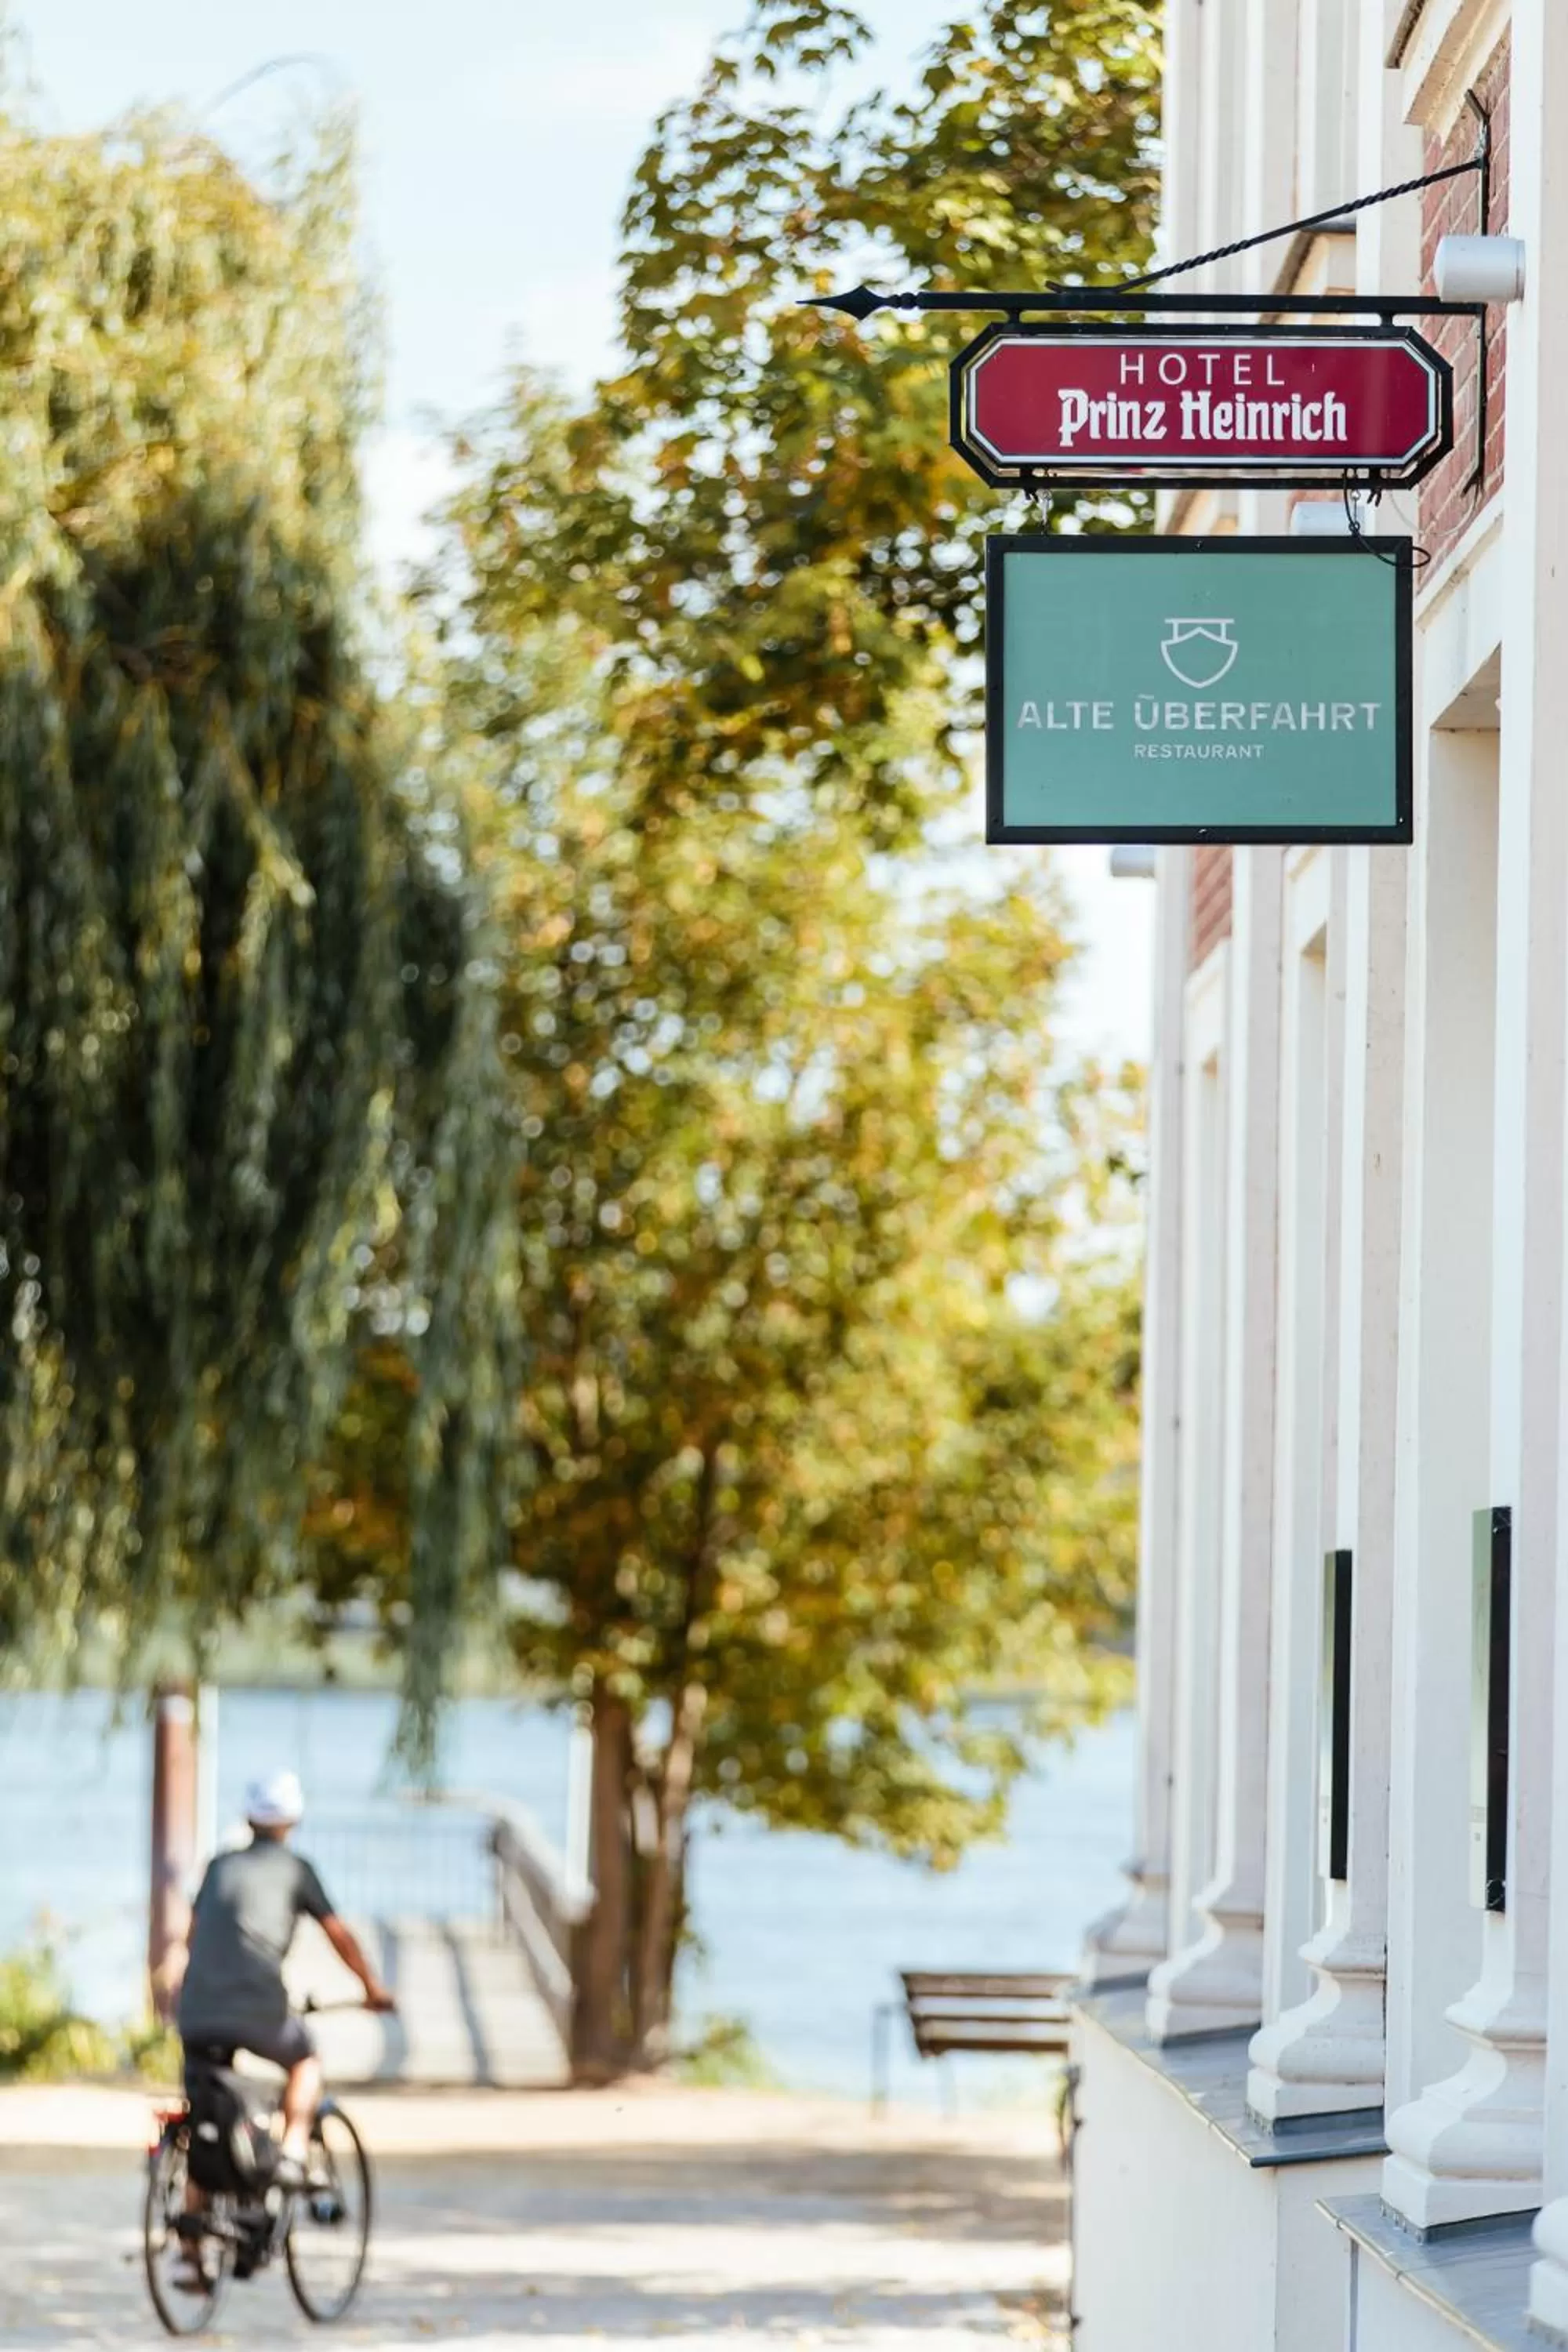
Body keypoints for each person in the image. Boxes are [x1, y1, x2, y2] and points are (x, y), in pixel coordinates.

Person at [167, 1769, 395, 2191]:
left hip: (197, 2009)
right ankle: (292, 2152)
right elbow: (340, 1937)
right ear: (293, 1819)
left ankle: (191, 2242)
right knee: (306, 2059)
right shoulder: (297, 1870)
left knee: (204, 2115)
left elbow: (193, 1936)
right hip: (259, 2007)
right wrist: (372, 1988)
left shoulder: (219, 1866)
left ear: (249, 1818)